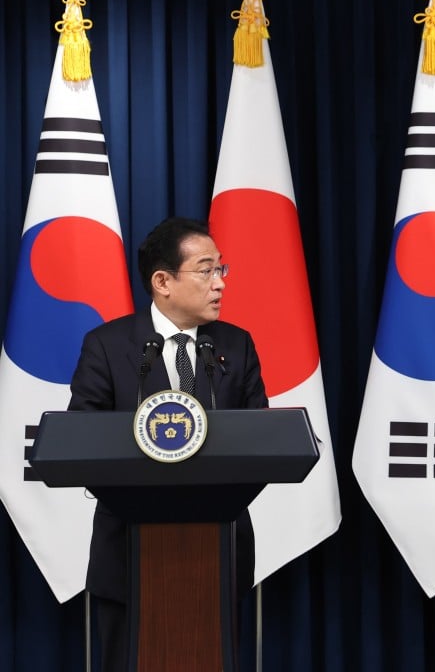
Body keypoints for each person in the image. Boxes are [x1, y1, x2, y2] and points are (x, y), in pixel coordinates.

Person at [68, 217, 267, 671]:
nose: (220, 283)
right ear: (163, 281)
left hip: (219, 552)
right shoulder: (108, 345)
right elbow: (81, 436)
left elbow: (262, 437)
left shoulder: (236, 347)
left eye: (222, 270)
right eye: (206, 270)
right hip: (128, 554)